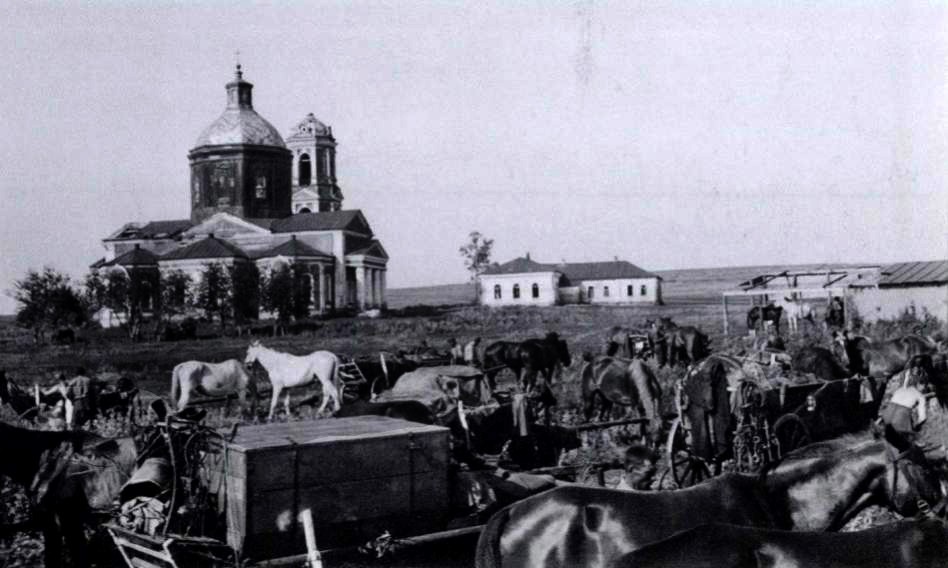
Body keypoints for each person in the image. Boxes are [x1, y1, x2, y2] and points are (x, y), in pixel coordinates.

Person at [881, 364, 928, 447]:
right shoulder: (920, 396)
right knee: (908, 437)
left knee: (892, 435)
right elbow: (922, 417)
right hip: (901, 415)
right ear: (921, 385)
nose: (924, 389)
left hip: (887, 413)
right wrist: (918, 425)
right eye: (924, 386)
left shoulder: (901, 389)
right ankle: (914, 445)